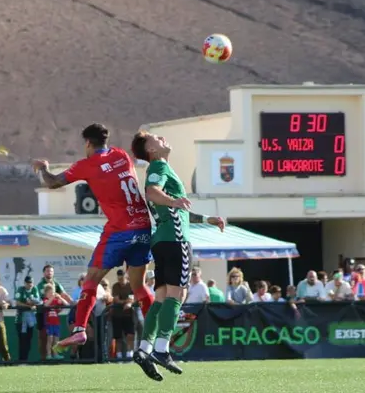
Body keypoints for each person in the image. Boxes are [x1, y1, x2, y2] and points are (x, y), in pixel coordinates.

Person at [32, 123, 156, 355]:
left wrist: (43, 168)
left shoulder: (87, 165)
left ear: (87, 143)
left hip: (119, 230)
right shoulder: (121, 155)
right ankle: (156, 333)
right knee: (138, 285)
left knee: (91, 281)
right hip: (143, 226)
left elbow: (52, 183)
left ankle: (79, 328)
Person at [130, 130, 225, 380]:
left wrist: (207, 219)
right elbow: (153, 192)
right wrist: (173, 202)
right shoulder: (159, 166)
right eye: (155, 139)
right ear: (151, 150)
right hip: (175, 240)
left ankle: (144, 349)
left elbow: (176, 208)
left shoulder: (160, 168)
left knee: (161, 297)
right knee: (178, 294)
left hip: (162, 239)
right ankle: (162, 348)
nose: (161, 138)